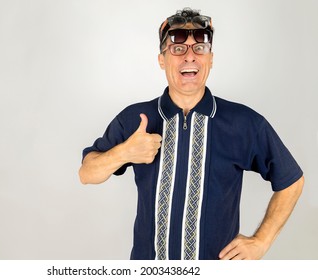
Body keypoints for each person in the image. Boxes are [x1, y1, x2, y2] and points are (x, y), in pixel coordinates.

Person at [79, 7, 304, 260]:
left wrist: (261, 241)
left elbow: (292, 180)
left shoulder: (244, 122)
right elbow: (87, 173)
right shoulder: (135, 119)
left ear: (210, 58)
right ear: (162, 59)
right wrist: (124, 152)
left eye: (199, 48)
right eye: (178, 49)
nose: (190, 57)